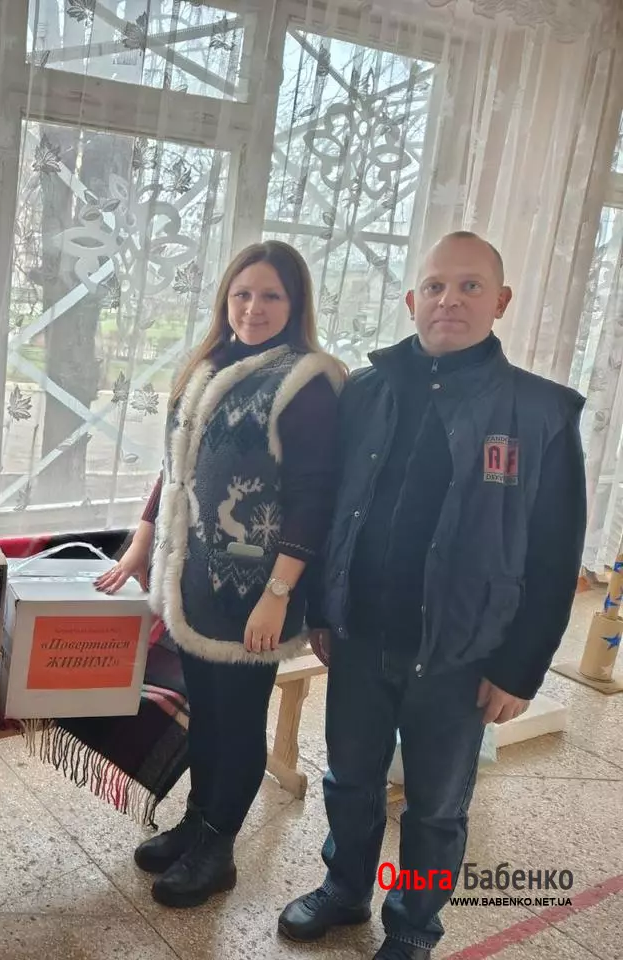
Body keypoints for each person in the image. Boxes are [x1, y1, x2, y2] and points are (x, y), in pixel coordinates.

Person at [277, 231, 588, 960]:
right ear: (411, 299)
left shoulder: (542, 413)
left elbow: (555, 556)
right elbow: (333, 508)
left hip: (462, 652)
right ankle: (344, 890)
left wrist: (520, 669)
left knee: (437, 808)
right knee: (349, 779)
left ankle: (414, 926)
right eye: (436, 286)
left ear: (500, 301)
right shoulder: (366, 391)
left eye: (471, 286)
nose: (451, 299)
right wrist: (323, 608)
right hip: (360, 634)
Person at [96, 240, 344, 909]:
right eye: (242, 294)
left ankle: (218, 848)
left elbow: (313, 498)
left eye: (270, 296)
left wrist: (279, 593)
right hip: (195, 580)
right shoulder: (209, 364)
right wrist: (141, 543)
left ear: (295, 304)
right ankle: (197, 822)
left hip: (255, 591)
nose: (253, 308)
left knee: (237, 721)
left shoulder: (306, 381)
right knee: (205, 713)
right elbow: (174, 468)